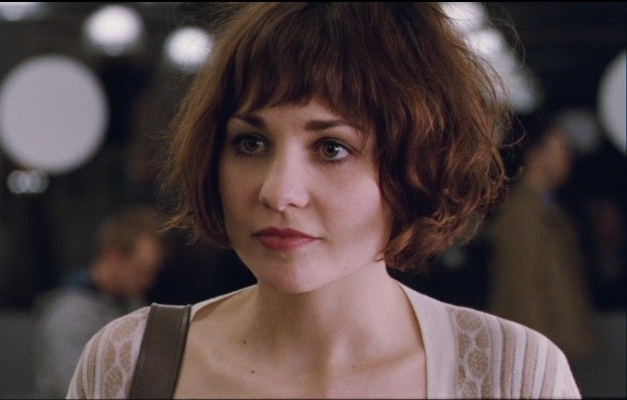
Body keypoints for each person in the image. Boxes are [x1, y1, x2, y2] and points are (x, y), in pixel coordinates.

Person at [67, 3, 581, 398]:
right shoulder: (130, 364)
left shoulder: (510, 375)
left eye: (332, 148)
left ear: (415, 165)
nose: (278, 192)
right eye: (251, 143)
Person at [486, 114, 596, 366]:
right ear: (536, 155)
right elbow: (522, 293)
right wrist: (537, 359)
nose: (567, 158)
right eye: (560, 148)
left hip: (557, 349)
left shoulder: (551, 211)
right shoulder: (520, 216)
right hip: (539, 356)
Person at [34, 205, 166, 399]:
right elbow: (76, 389)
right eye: (141, 271)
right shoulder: (69, 315)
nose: (148, 281)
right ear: (114, 257)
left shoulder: (132, 304)